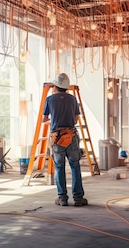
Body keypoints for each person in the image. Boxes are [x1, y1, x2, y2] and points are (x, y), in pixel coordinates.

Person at [42, 73, 88, 207]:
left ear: (55, 86)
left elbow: (45, 119)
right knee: (75, 166)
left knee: (59, 167)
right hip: (71, 136)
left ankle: (62, 198)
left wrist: (55, 119)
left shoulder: (50, 99)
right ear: (66, 87)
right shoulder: (72, 99)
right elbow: (75, 119)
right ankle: (78, 198)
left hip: (57, 137)